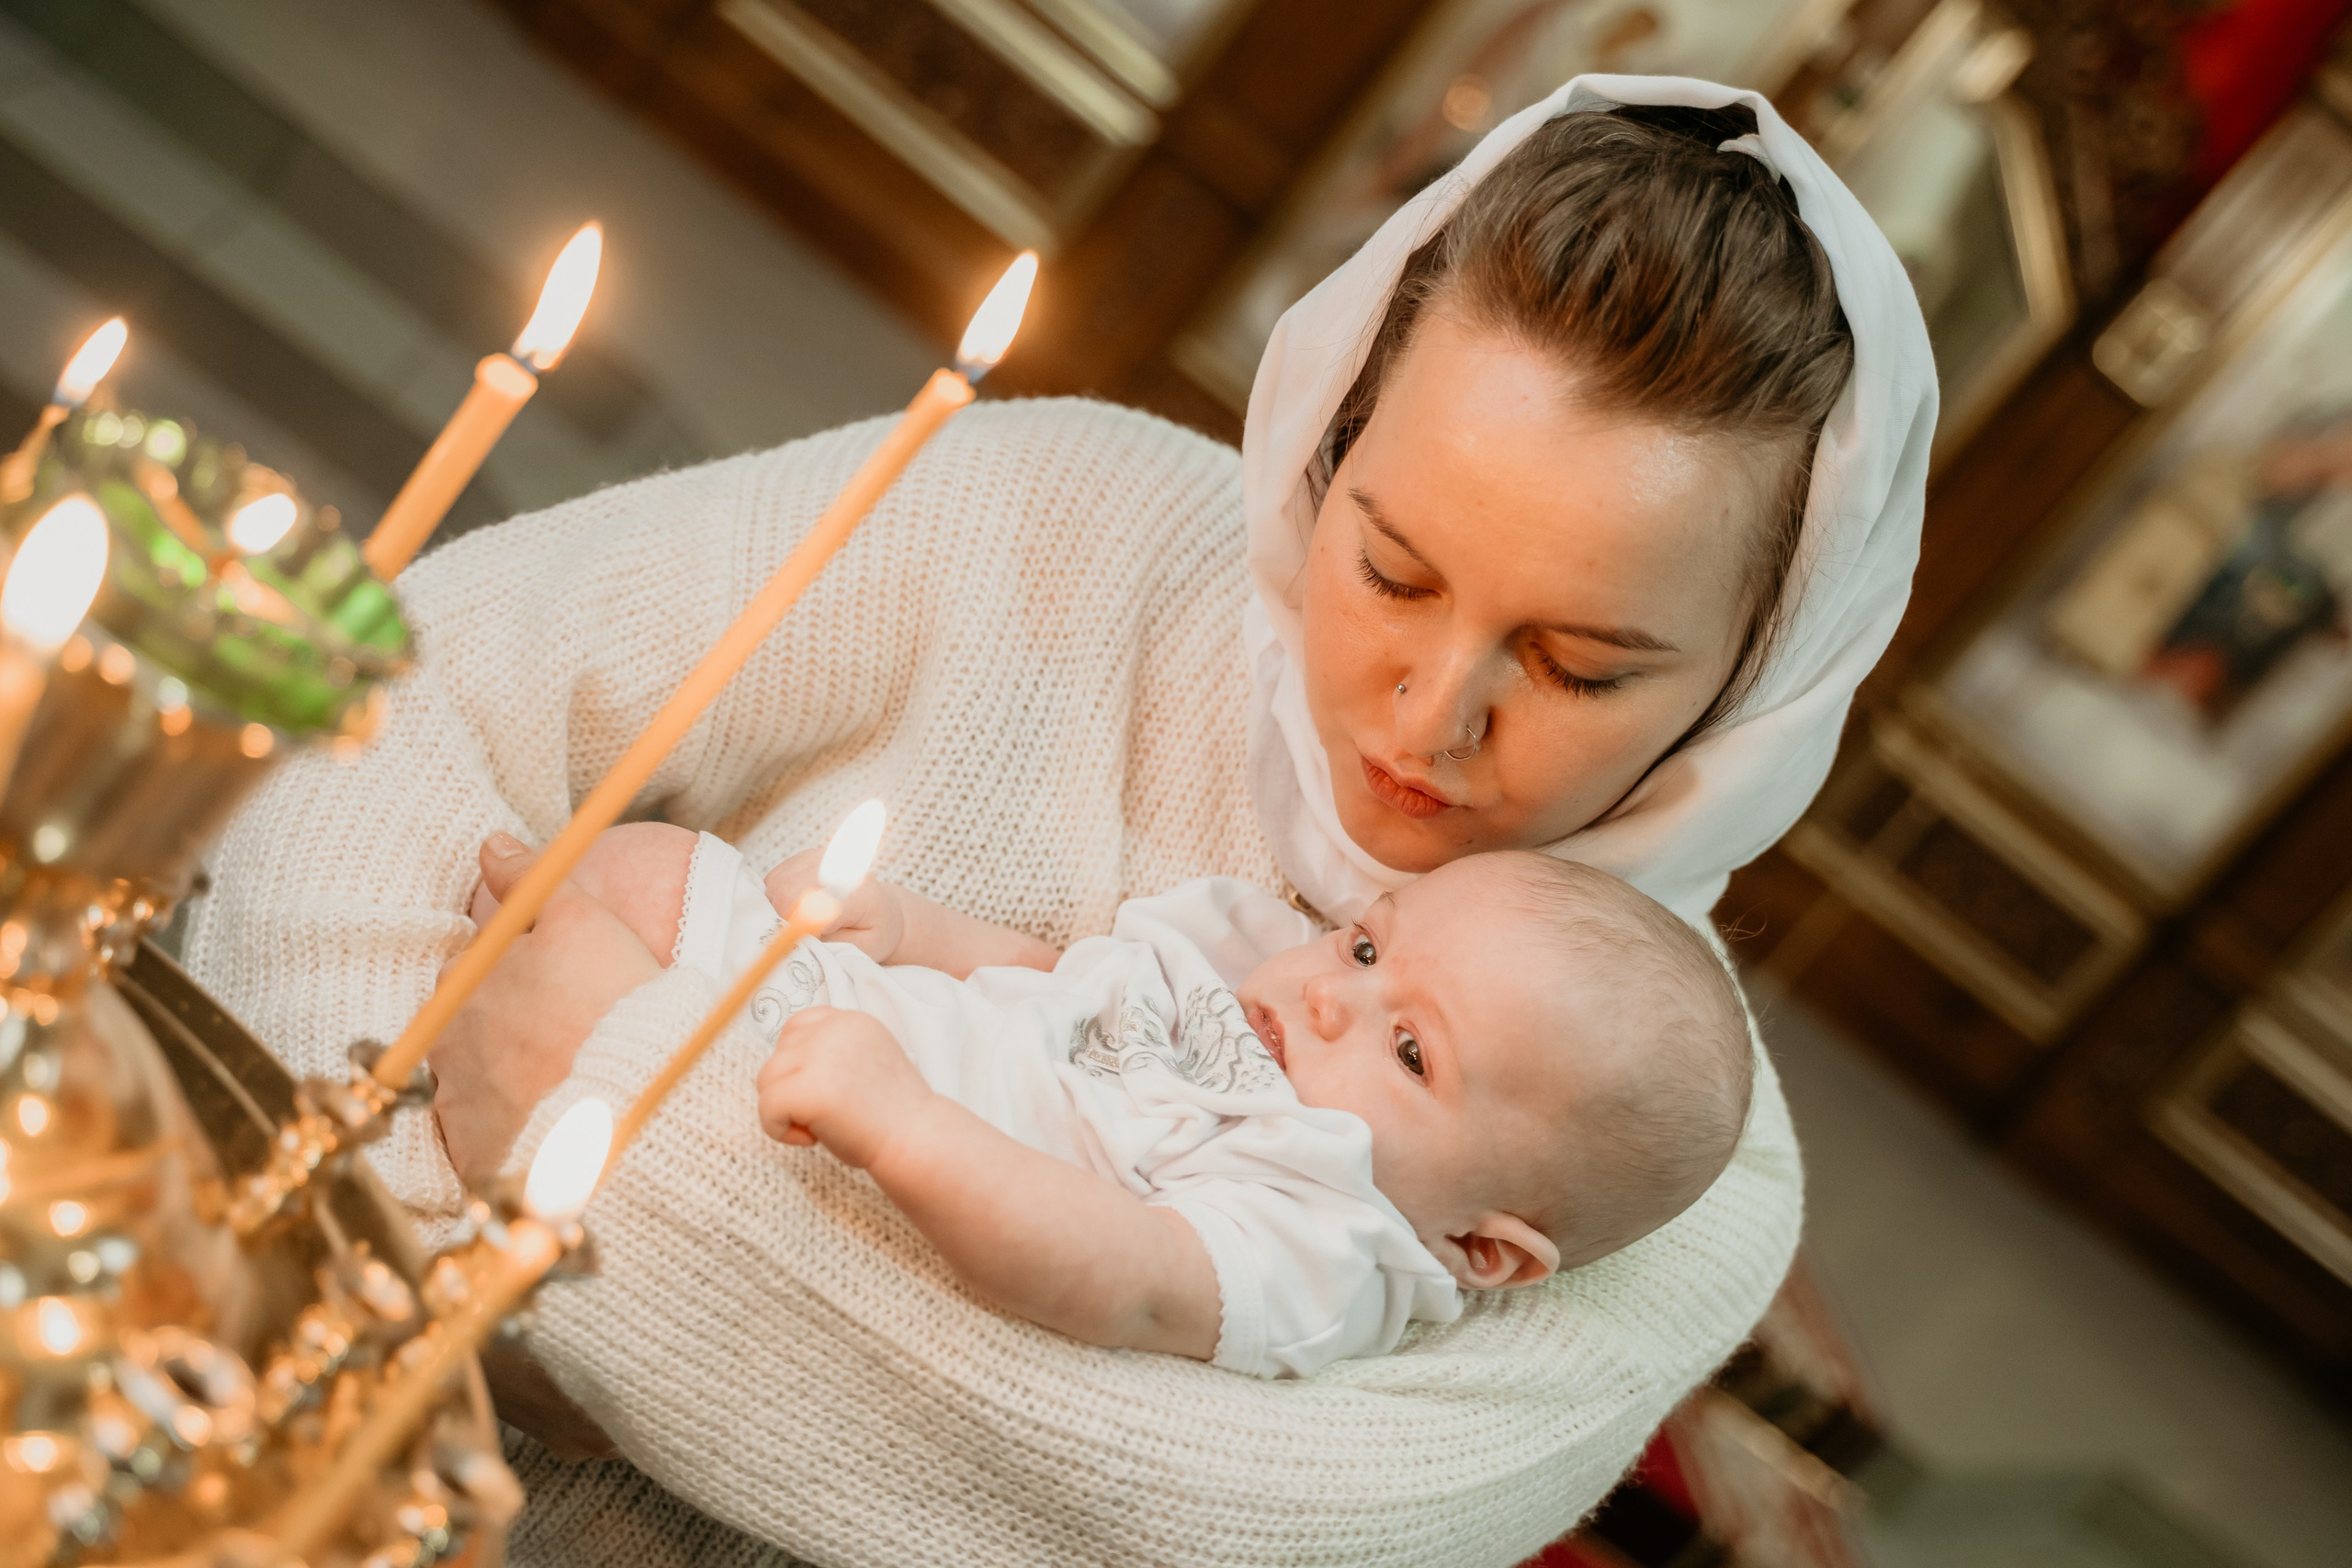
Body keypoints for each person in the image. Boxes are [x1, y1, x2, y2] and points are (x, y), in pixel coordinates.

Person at [187, 76, 1932, 1567]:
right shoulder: (1064, 509)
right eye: (1389, 566)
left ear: (1756, 690)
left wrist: (544, 1130)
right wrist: (396, 1252)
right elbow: (385, 712)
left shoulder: (1683, 1175)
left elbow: (1143, 1529)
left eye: (1576, 665)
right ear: (1325, 435)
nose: (1426, 714)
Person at [485, 823, 1754, 1381]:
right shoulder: (1250, 965)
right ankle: (506, 961)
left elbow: (1133, 1275)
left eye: (1411, 1051)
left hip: (820, 1146)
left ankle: (520, 1175)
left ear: (1482, 1244)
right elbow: (1062, 979)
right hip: (842, 1006)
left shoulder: (1330, 1237)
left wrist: (908, 1127)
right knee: (649, 870)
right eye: (1368, 950)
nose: (1329, 996)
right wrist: (918, 927)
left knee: (576, 1018)